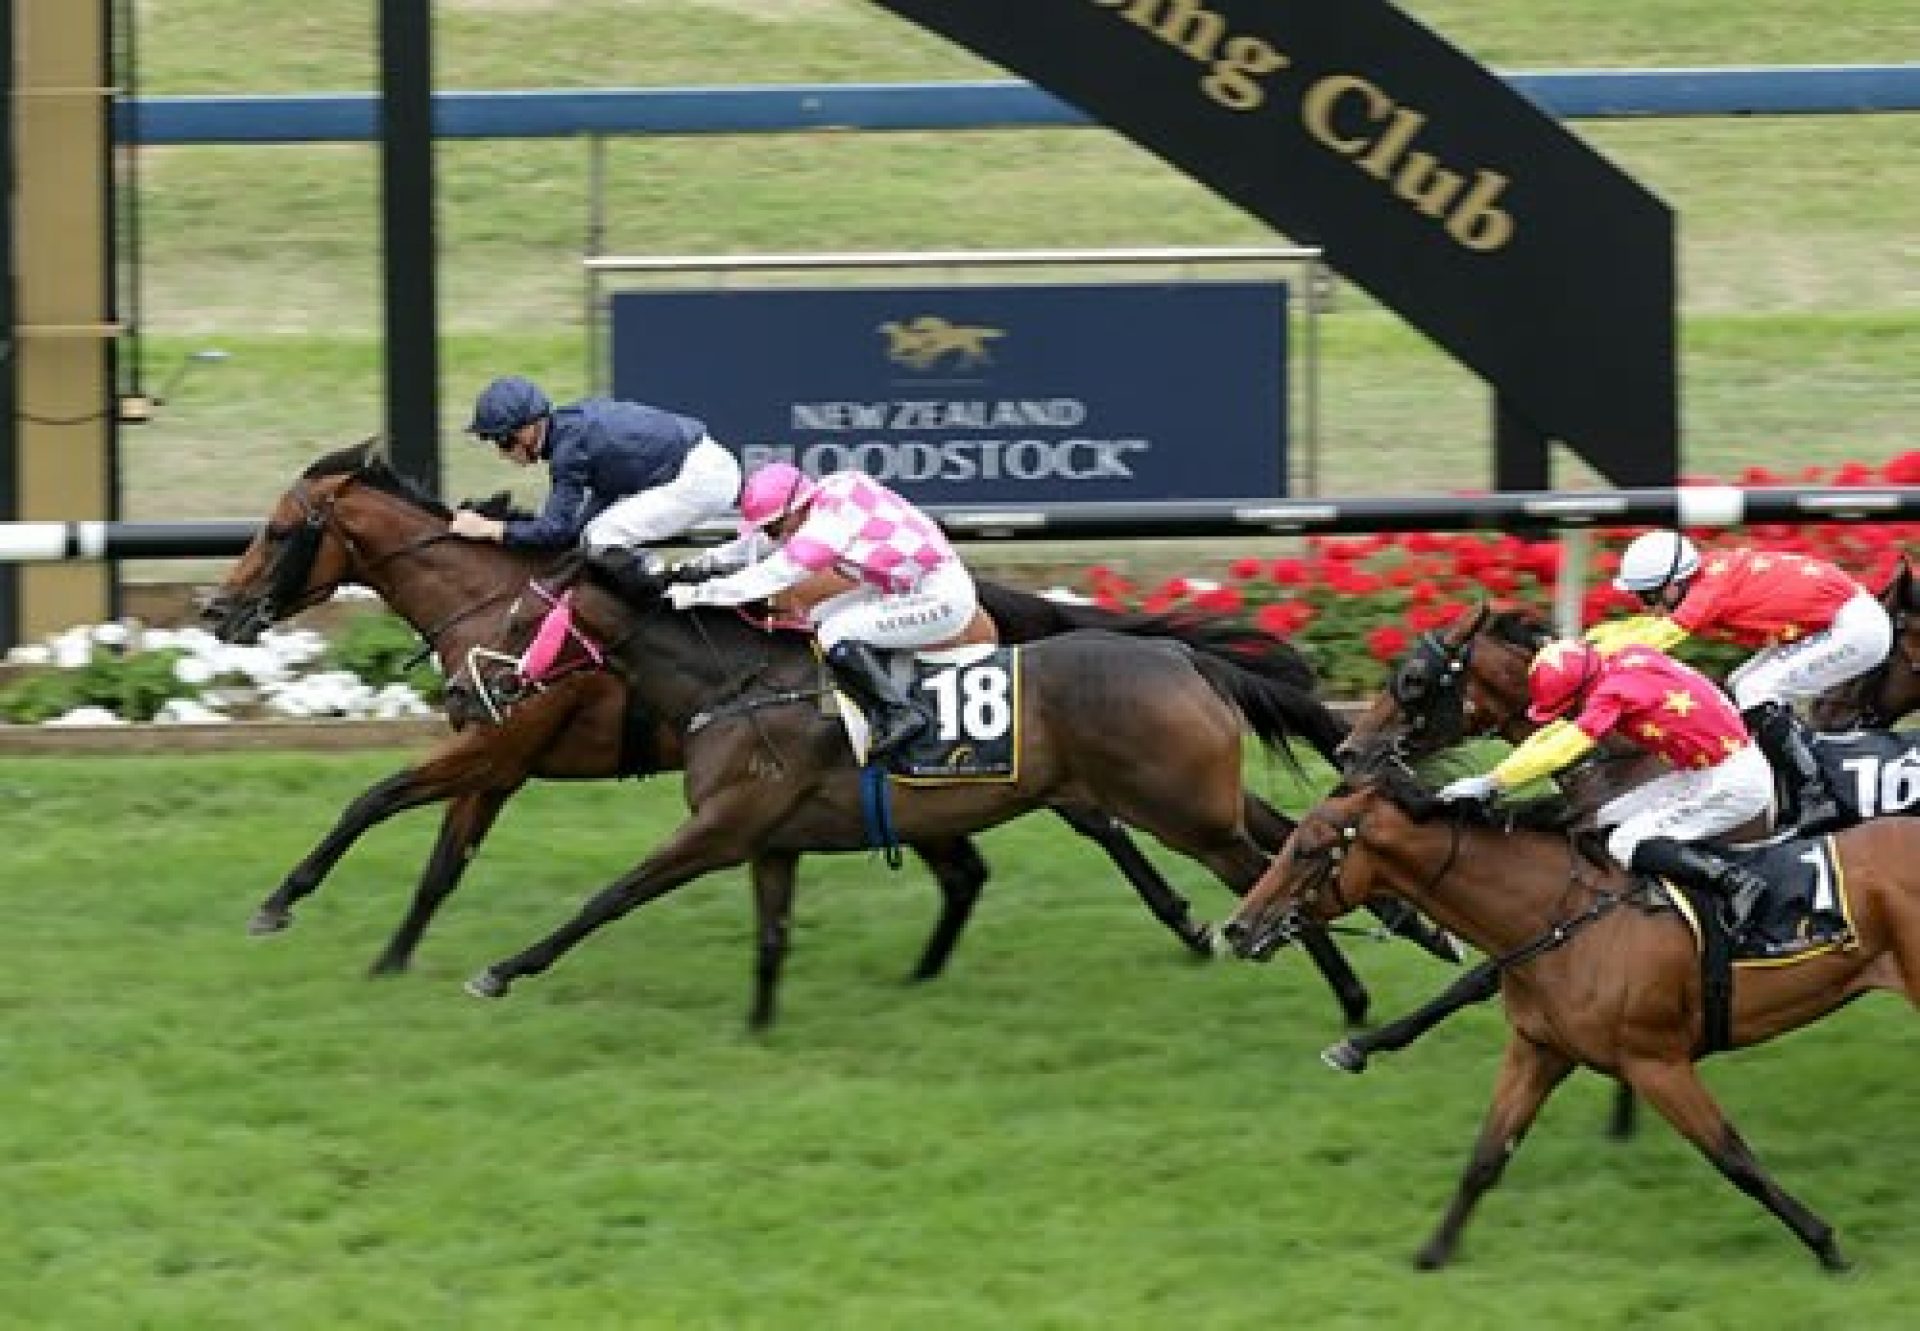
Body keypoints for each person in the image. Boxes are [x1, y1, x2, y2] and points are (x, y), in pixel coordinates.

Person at [1436, 637, 1775, 932]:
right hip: (1707, 769)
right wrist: (1496, 775)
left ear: (1581, 691)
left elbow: (1565, 745)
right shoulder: (1624, 658)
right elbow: (1559, 733)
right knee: (1605, 816)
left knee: (1626, 841)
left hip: (1732, 782)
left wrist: (1493, 781)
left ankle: (1735, 884)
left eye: (1569, 708)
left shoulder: (1613, 694)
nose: (1569, 715)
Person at [665, 461, 979, 759]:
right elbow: (756, 547)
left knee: (835, 633)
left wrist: (695, 595)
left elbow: (771, 575)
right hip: (909, 587)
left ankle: (901, 713)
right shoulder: (822, 497)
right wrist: (688, 568)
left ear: (793, 510)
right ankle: (868, 704)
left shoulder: (830, 525)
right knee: (819, 619)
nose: (772, 535)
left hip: (941, 598)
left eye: (773, 528)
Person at [1589, 529, 1893, 829]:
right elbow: (1650, 626)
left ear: (1676, 582)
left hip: (1854, 629)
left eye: (1650, 595)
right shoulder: (1699, 578)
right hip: (1830, 622)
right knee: (1739, 686)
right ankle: (1785, 777)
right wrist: (1595, 641)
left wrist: (1592, 658)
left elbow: (1659, 637)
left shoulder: (1708, 589)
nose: (1647, 605)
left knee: (1755, 689)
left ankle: (1816, 794)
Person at [448, 375, 741, 590]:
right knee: (592, 535)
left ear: (528, 430)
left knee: (601, 537)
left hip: (701, 479)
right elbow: (593, 504)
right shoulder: (570, 428)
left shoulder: (568, 451)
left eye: (502, 439)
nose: (501, 452)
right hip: (704, 466)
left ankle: (667, 592)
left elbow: (554, 530)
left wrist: (489, 528)